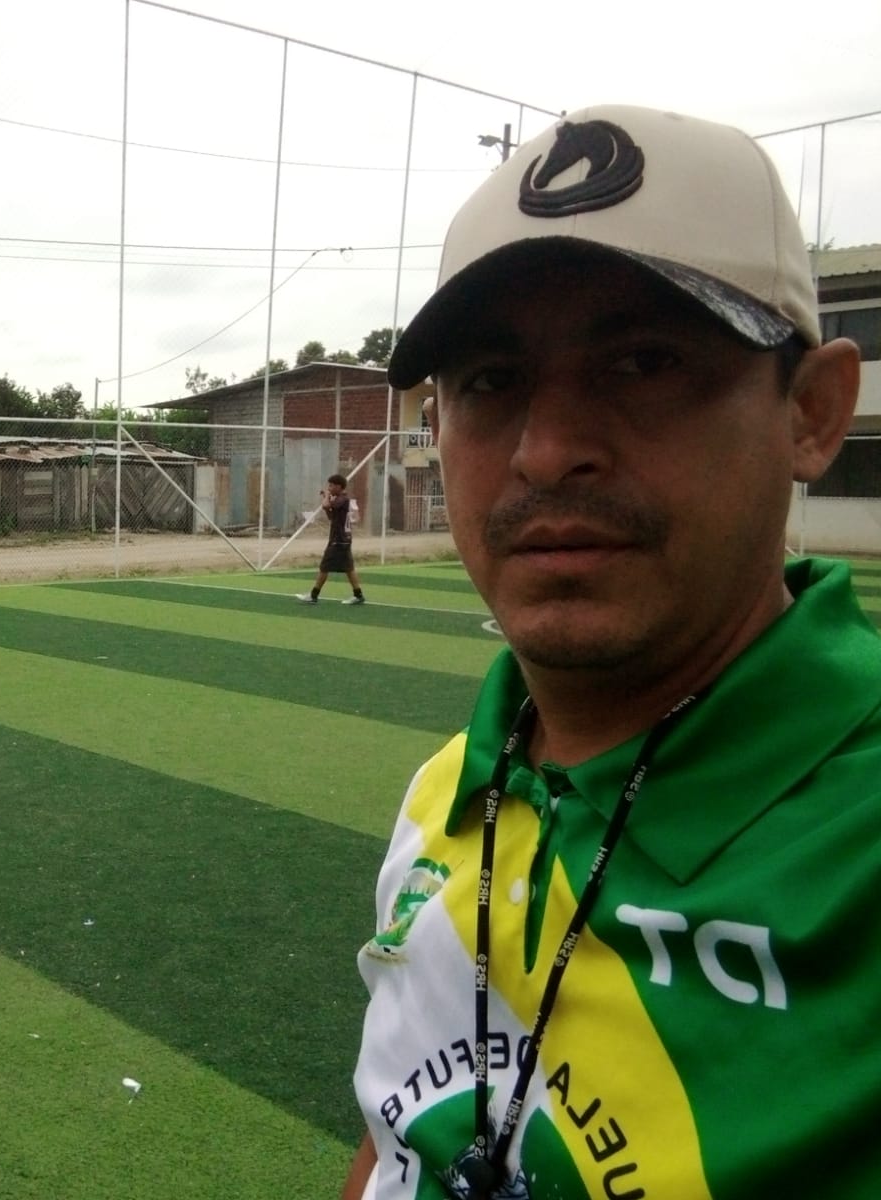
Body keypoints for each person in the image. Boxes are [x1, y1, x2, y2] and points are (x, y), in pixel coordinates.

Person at [342, 105, 870, 1199]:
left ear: (812, 413)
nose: (546, 451)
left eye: (643, 361)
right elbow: (399, 1135)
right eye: (489, 381)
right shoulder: (451, 789)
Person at [297, 474, 365, 605]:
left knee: (325, 567)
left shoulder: (342, 499)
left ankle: (313, 595)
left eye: (331, 486)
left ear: (339, 486)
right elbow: (331, 516)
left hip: (339, 540)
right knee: (349, 568)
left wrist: (326, 497)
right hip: (343, 539)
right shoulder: (340, 500)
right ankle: (358, 595)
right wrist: (327, 500)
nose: (329, 488)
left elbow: (325, 505)